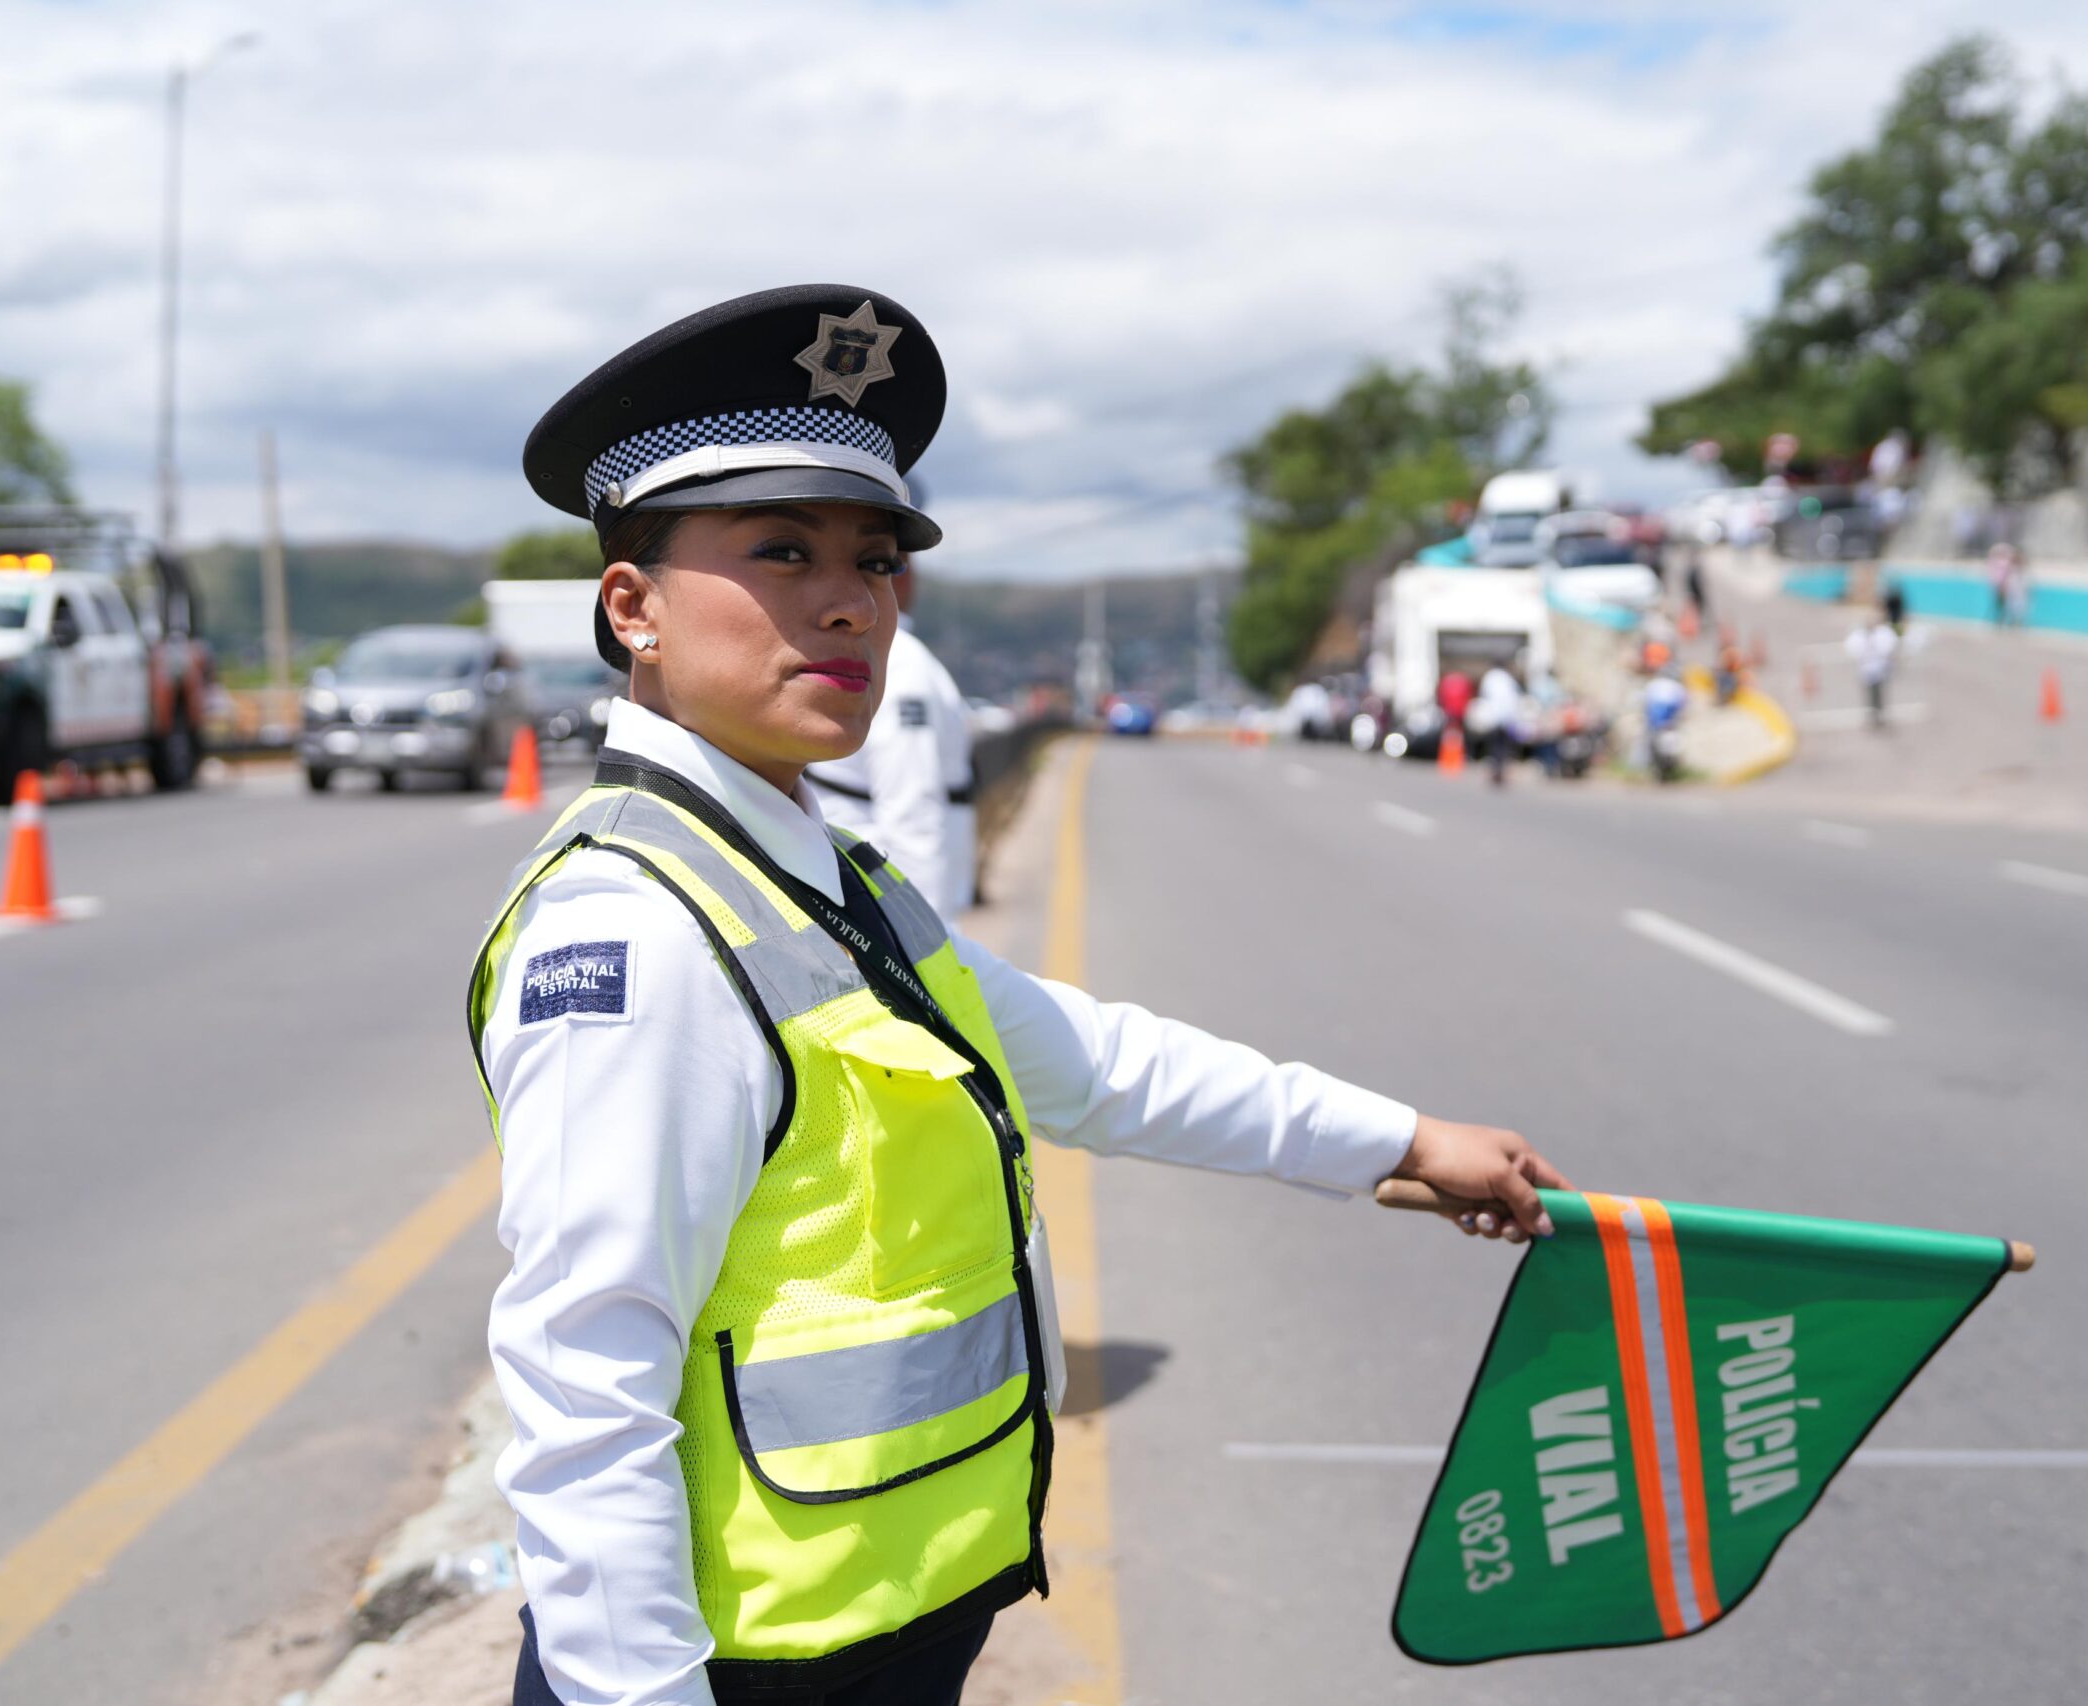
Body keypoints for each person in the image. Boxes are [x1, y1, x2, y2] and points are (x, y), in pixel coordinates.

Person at [477, 286, 1568, 1706]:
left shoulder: (818, 869)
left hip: (884, 1624)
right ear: (634, 606)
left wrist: (1401, 1143)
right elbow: (585, 1385)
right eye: (781, 549)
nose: (846, 597)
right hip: (735, 1666)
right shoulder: (639, 927)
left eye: (874, 558)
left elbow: (1090, 1062)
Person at [807, 558, 977, 919]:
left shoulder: (893, 656)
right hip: (888, 891)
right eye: (881, 564)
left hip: (862, 881)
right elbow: (913, 806)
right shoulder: (904, 662)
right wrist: (925, 926)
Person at [1846, 610, 1899, 731]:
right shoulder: (1859, 635)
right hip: (1866, 670)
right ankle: (1872, 714)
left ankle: (1880, 714)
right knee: (1870, 694)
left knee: (1879, 693)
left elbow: (1889, 647)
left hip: (1880, 669)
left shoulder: (1882, 633)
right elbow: (1852, 649)